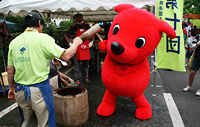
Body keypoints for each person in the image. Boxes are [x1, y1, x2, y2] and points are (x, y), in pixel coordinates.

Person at [7, 12, 83, 127]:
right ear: (39, 23)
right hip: (39, 91)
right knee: (45, 123)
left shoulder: (14, 42)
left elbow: (10, 69)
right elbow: (66, 56)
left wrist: (11, 88)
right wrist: (76, 43)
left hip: (20, 91)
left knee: (27, 122)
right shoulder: (43, 39)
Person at [64, 13, 93, 84]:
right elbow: (66, 35)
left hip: (86, 47)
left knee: (86, 65)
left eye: (80, 17)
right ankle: (77, 79)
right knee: (76, 65)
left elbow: (93, 33)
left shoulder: (87, 26)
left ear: (82, 18)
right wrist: (69, 43)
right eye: (78, 18)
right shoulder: (73, 28)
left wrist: (91, 42)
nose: (79, 19)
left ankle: (86, 77)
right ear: (76, 19)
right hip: (76, 48)